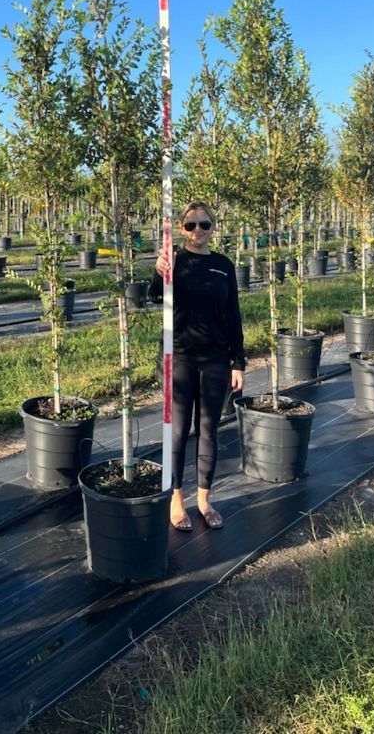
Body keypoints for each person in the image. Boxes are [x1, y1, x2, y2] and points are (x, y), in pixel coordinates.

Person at [149, 201, 245, 530]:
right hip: (179, 357)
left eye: (205, 224)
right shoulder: (174, 260)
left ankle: (204, 498)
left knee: (208, 430)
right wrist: (158, 272)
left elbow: (233, 313)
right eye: (191, 225)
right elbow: (153, 297)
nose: (198, 231)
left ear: (213, 227)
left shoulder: (223, 265)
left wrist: (238, 361)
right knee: (176, 432)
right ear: (181, 229)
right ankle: (176, 499)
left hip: (216, 358)